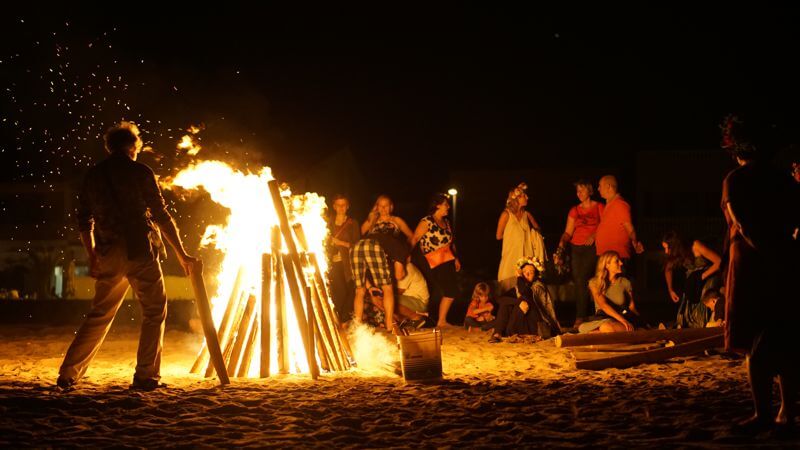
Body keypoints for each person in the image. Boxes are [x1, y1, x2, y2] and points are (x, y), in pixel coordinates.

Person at [56, 122, 198, 391]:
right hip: (140, 251)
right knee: (155, 312)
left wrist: (93, 255)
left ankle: (68, 374)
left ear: (110, 147)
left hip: (108, 251)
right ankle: (146, 376)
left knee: (99, 315)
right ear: (133, 147)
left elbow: (84, 221)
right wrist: (182, 254)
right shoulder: (140, 171)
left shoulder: (94, 175)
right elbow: (161, 214)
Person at [719, 114, 800, 429]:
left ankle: (763, 413)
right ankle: (787, 410)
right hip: (785, 259)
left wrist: (768, 251)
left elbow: (744, 225)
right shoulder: (783, 179)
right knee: (785, 337)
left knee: (756, 340)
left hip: (753, 266)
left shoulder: (736, 179)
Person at [555, 179, 604, 328]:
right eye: (577, 191)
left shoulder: (599, 207)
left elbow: (605, 225)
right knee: (578, 282)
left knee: (585, 278)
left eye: (582, 190)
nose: (579, 193)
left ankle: (582, 316)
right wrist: (562, 243)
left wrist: (594, 235)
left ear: (589, 191)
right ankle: (582, 315)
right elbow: (568, 231)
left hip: (592, 247)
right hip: (576, 247)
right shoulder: (574, 210)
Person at [411, 193, 462, 328]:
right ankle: (423, 320)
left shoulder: (446, 222)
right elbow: (414, 238)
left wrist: (456, 258)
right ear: (437, 205)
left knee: (451, 291)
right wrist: (406, 255)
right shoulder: (427, 221)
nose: (448, 207)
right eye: (445, 204)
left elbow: (451, 242)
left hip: (447, 259)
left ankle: (441, 321)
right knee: (432, 291)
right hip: (430, 260)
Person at [488, 257, 561, 342]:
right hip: (519, 322)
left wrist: (519, 278)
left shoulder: (538, 286)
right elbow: (500, 299)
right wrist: (518, 302)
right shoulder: (518, 287)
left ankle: (508, 332)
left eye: (531, 272)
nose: (528, 274)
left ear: (536, 274)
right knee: (507, 303)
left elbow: (525, 293)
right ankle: (497, 334)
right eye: (525, 272)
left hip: (536, 324)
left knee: (523, 299)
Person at [496, 183, 546, 292]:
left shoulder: (526, 214)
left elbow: (538, 230)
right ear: (517, 198)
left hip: (525, 259)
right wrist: (513, 236)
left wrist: (533, 234)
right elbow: (498, 236)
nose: (527, 197)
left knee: (525, 291)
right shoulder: (506, 214)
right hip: (510, 257)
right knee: (509, 291)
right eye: (524, 196)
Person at [578, 251, 641, 334]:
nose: (621, 263)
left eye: (620, 260)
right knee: (582, 327)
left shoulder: (625, 282)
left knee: (606, 327)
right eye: (617, 261)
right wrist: (622, 320)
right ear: (607, 265)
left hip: (620, 320)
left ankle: (597, 334)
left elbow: (632, 307)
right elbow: (603, 305)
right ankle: (602, 334)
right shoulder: (594, 283)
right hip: (602, 319)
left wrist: (640, 322)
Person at [595, 176, 644, 271]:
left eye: (600, 185)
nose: (598, 188)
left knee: (617, 285)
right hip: (606, 256)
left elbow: (630, 228)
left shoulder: (620, 204)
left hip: (616, 257)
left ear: (609, 186)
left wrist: (635, 242)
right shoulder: (610, 205)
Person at [661, 231, 722, 307]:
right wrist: (671, 290)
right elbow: (668, 269)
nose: (666, 252)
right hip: (693, 284)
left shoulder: (696, 245)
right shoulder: (678, 253)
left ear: (675, 245)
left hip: (707, 280)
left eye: (668, 248)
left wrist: (702, 276)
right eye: (664, 248)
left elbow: (719, 261)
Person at [361, 195, 414, 281]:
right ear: (377, 207)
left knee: (390, 280)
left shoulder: (397, 220)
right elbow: (359, 235)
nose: (383, 208)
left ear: (391, 207)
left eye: (386, 206)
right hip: (374, 251)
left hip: (390, 253)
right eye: (381, 206)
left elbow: (411, 236)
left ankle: (400, 261)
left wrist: (408, 251)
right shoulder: (371, 221)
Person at [327, 194, 360, 323]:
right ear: (334, 207)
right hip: (331, 263)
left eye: (343, 205)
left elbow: (357, 245)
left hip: (347, 263)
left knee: (348, 292)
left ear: (347, 207)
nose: (341, 208)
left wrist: (340, 243)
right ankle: (336, 320)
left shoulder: (352, 223)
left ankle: (344, 321)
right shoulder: (327, 222)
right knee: (336, 292)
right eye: (338, 205)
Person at [395, 262, 430, 331]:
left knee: (387, 300)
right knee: (383, 299)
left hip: (419, 302)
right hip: (409, 300)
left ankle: (416, 318)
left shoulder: (407, 267)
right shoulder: (398, 266)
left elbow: (399, 291)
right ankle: (402, 321)